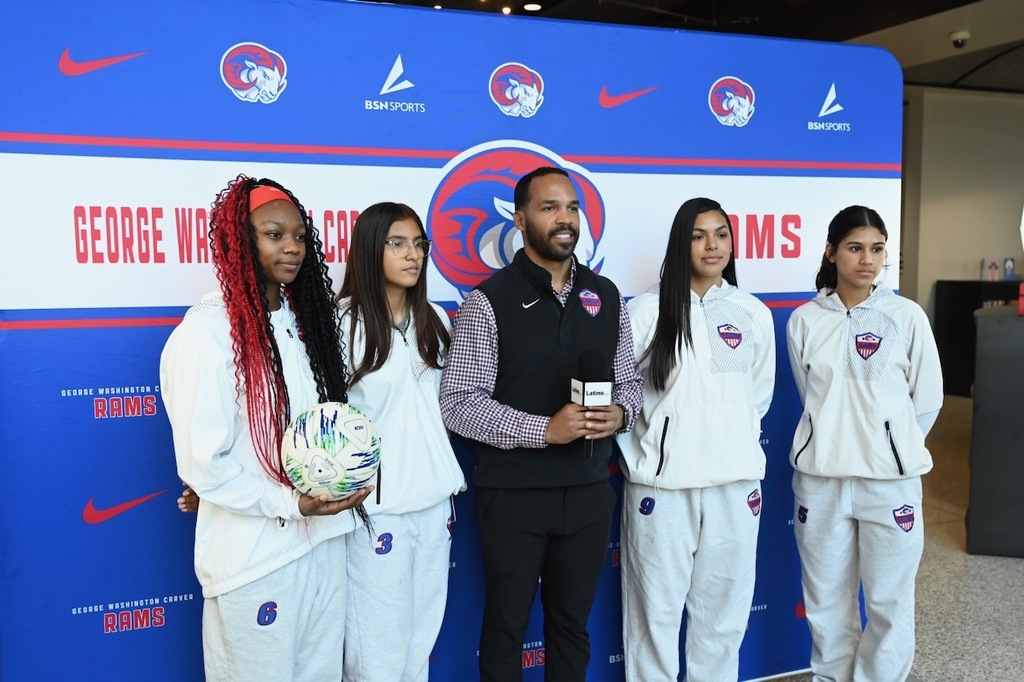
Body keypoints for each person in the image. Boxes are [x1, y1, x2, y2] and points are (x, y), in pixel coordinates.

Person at [160, 175, 372, 680]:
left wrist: (342, 478)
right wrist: (289, 503)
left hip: (324, 543)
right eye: (274, 235)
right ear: (239, 241)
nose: (292, 247)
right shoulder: (206, 335)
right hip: (255, 560)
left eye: (299, 236)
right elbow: (204, 465)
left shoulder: (306, 324)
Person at [439, 166, 644, 682]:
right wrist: (544, 430)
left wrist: (621, 413)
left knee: (572, 629)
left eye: (572, 207)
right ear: (520, 218)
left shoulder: (606, 295)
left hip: (589, 492)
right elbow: (459, 403)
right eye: (549, 207)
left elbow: (630, 384)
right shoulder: (488, 300)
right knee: (506, 630)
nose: (564, 218)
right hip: (514, 496)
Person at [616, 197, 776, 681]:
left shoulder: (751, 312)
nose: (712, 245)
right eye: (699, 235)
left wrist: (732, 439)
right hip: (663, 490)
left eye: (721, 234)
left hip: (735, 485)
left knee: (723, 618)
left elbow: (758, 397)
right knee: (654, 618)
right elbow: (624, 395)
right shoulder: (645, 311)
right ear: (679, 243)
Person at [786, 205, 943, 682]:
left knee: (889, 602)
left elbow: (927, 400)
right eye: (855, 248)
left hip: (890, 486)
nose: (867, 260)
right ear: (831, 252)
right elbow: (810, 397)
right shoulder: (804, 320)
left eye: (877, 249)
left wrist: (889, 448)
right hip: (821, 483)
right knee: (826, 601)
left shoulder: (906, 316)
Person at [337, 202, 467, 681]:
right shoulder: (341, 324)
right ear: (370, 250)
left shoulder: (434, 318)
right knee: (377, 654)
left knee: (418, 646)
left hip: (434, 505)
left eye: (419, 244)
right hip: (376, 511)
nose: (413, 255)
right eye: (397, 244)